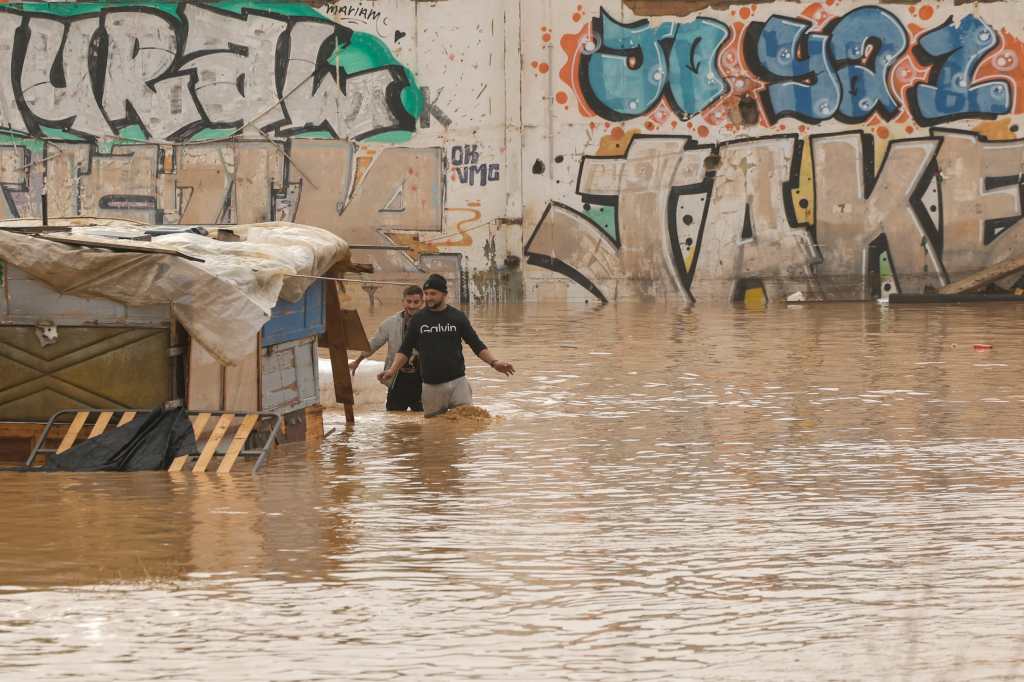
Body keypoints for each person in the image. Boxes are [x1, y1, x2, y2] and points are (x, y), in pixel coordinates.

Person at [378, 274, 514, 417]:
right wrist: (392, 370)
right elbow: (405, 350)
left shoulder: (457, 317)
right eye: (426, 293)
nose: (428, 297)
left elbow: (476, 345)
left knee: (467, 423)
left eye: (433, 294)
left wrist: (494, 362)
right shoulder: (418, 319)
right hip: (431, 387)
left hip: (458, 383)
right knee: (434, 428)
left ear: (444, 294)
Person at [349, 285, 424, 411]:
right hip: (397, 377)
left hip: (422, 379)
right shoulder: (390, 323)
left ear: (422, 302)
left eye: (416, 302)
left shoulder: (430, 324)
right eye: (409, 301)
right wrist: (357, 361)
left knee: (425, 417)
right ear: (403, 302)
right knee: (393, 416)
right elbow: (373, 344)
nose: (412, 306)